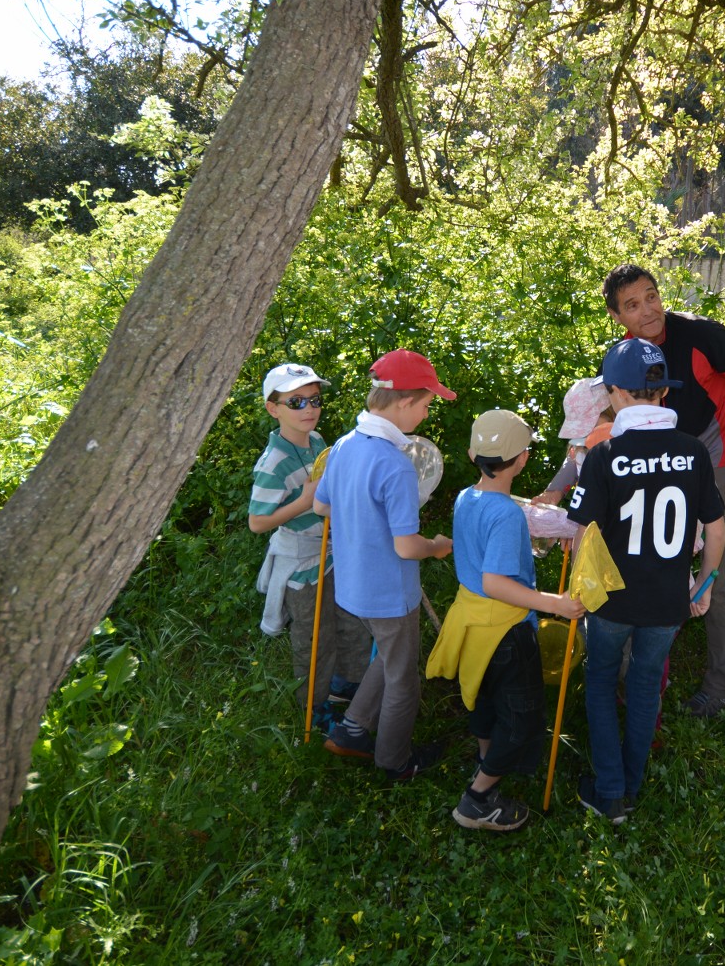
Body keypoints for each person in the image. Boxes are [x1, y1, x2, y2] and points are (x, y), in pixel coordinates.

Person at [601, 263, 725, 717]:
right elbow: (603, 421)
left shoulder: (701, 335)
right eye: (632, 305)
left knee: (721, 578)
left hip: (715, 465)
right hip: (655, 473)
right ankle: (641, 678)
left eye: (651, 296)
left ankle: (721, 686)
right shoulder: (622, 357)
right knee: (646, 568)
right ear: (616, 316)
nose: (648, 310)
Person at [566, 339, 725, 821]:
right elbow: (716, 530)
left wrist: (577, 587)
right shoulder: (693, 451)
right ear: (663, 391)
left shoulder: (605, 454)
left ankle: (610, 791)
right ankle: (631, 786)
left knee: (600, 682)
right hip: (667, 603)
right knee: (643, 688)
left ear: (616, 392)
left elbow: (582, 531)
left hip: (611, 602)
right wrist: (704, 585)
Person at [426, 410, 586, 831]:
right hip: (505, 630)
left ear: (472, 455)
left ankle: (486, 760)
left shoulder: (466, 497)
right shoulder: (507, 515)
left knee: (484, 700)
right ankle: (477, 799)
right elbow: (495, 583)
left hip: (471, 622)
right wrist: (556, 604)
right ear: (523, 460)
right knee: (523, 720)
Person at [314, 349, 456, 781]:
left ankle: (352, 729)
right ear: (405, 402)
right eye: (427, 405)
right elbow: (407, 547)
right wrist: (436, 546)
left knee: (390, 655)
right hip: (390, 593)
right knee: (403, 679)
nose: (427, 414)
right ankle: (395, 761)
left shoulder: (345, 445)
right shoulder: (396, 464)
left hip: (353, 585)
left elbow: (321, 505)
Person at [248, 363, 373, 731]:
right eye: (296, 402)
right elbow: (257, 522)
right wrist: (304, 502)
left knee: (350, 620)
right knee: (315, 639)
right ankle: (314, 708)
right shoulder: (274, 462)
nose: (309, 409)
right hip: (302, 566)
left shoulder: (317, 442)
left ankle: (347, 686)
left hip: (332, 554)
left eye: (314, 400)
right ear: (273, 409)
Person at [531, 377, 612, 506]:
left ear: (611, 411)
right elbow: (571, 464)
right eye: (582, 429)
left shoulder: (633, 441)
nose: (587, 433)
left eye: (591, 424)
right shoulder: (579, 448)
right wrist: (552, 494)